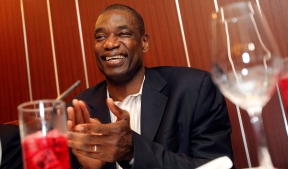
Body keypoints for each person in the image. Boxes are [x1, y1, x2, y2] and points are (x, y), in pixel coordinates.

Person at [67, 4, 234, 169]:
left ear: (144, 43)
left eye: (123, 33)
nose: (110, 44)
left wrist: (133, 151)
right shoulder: (77, 112)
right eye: (101, 37)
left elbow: (217, 165)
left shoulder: (195, 89)